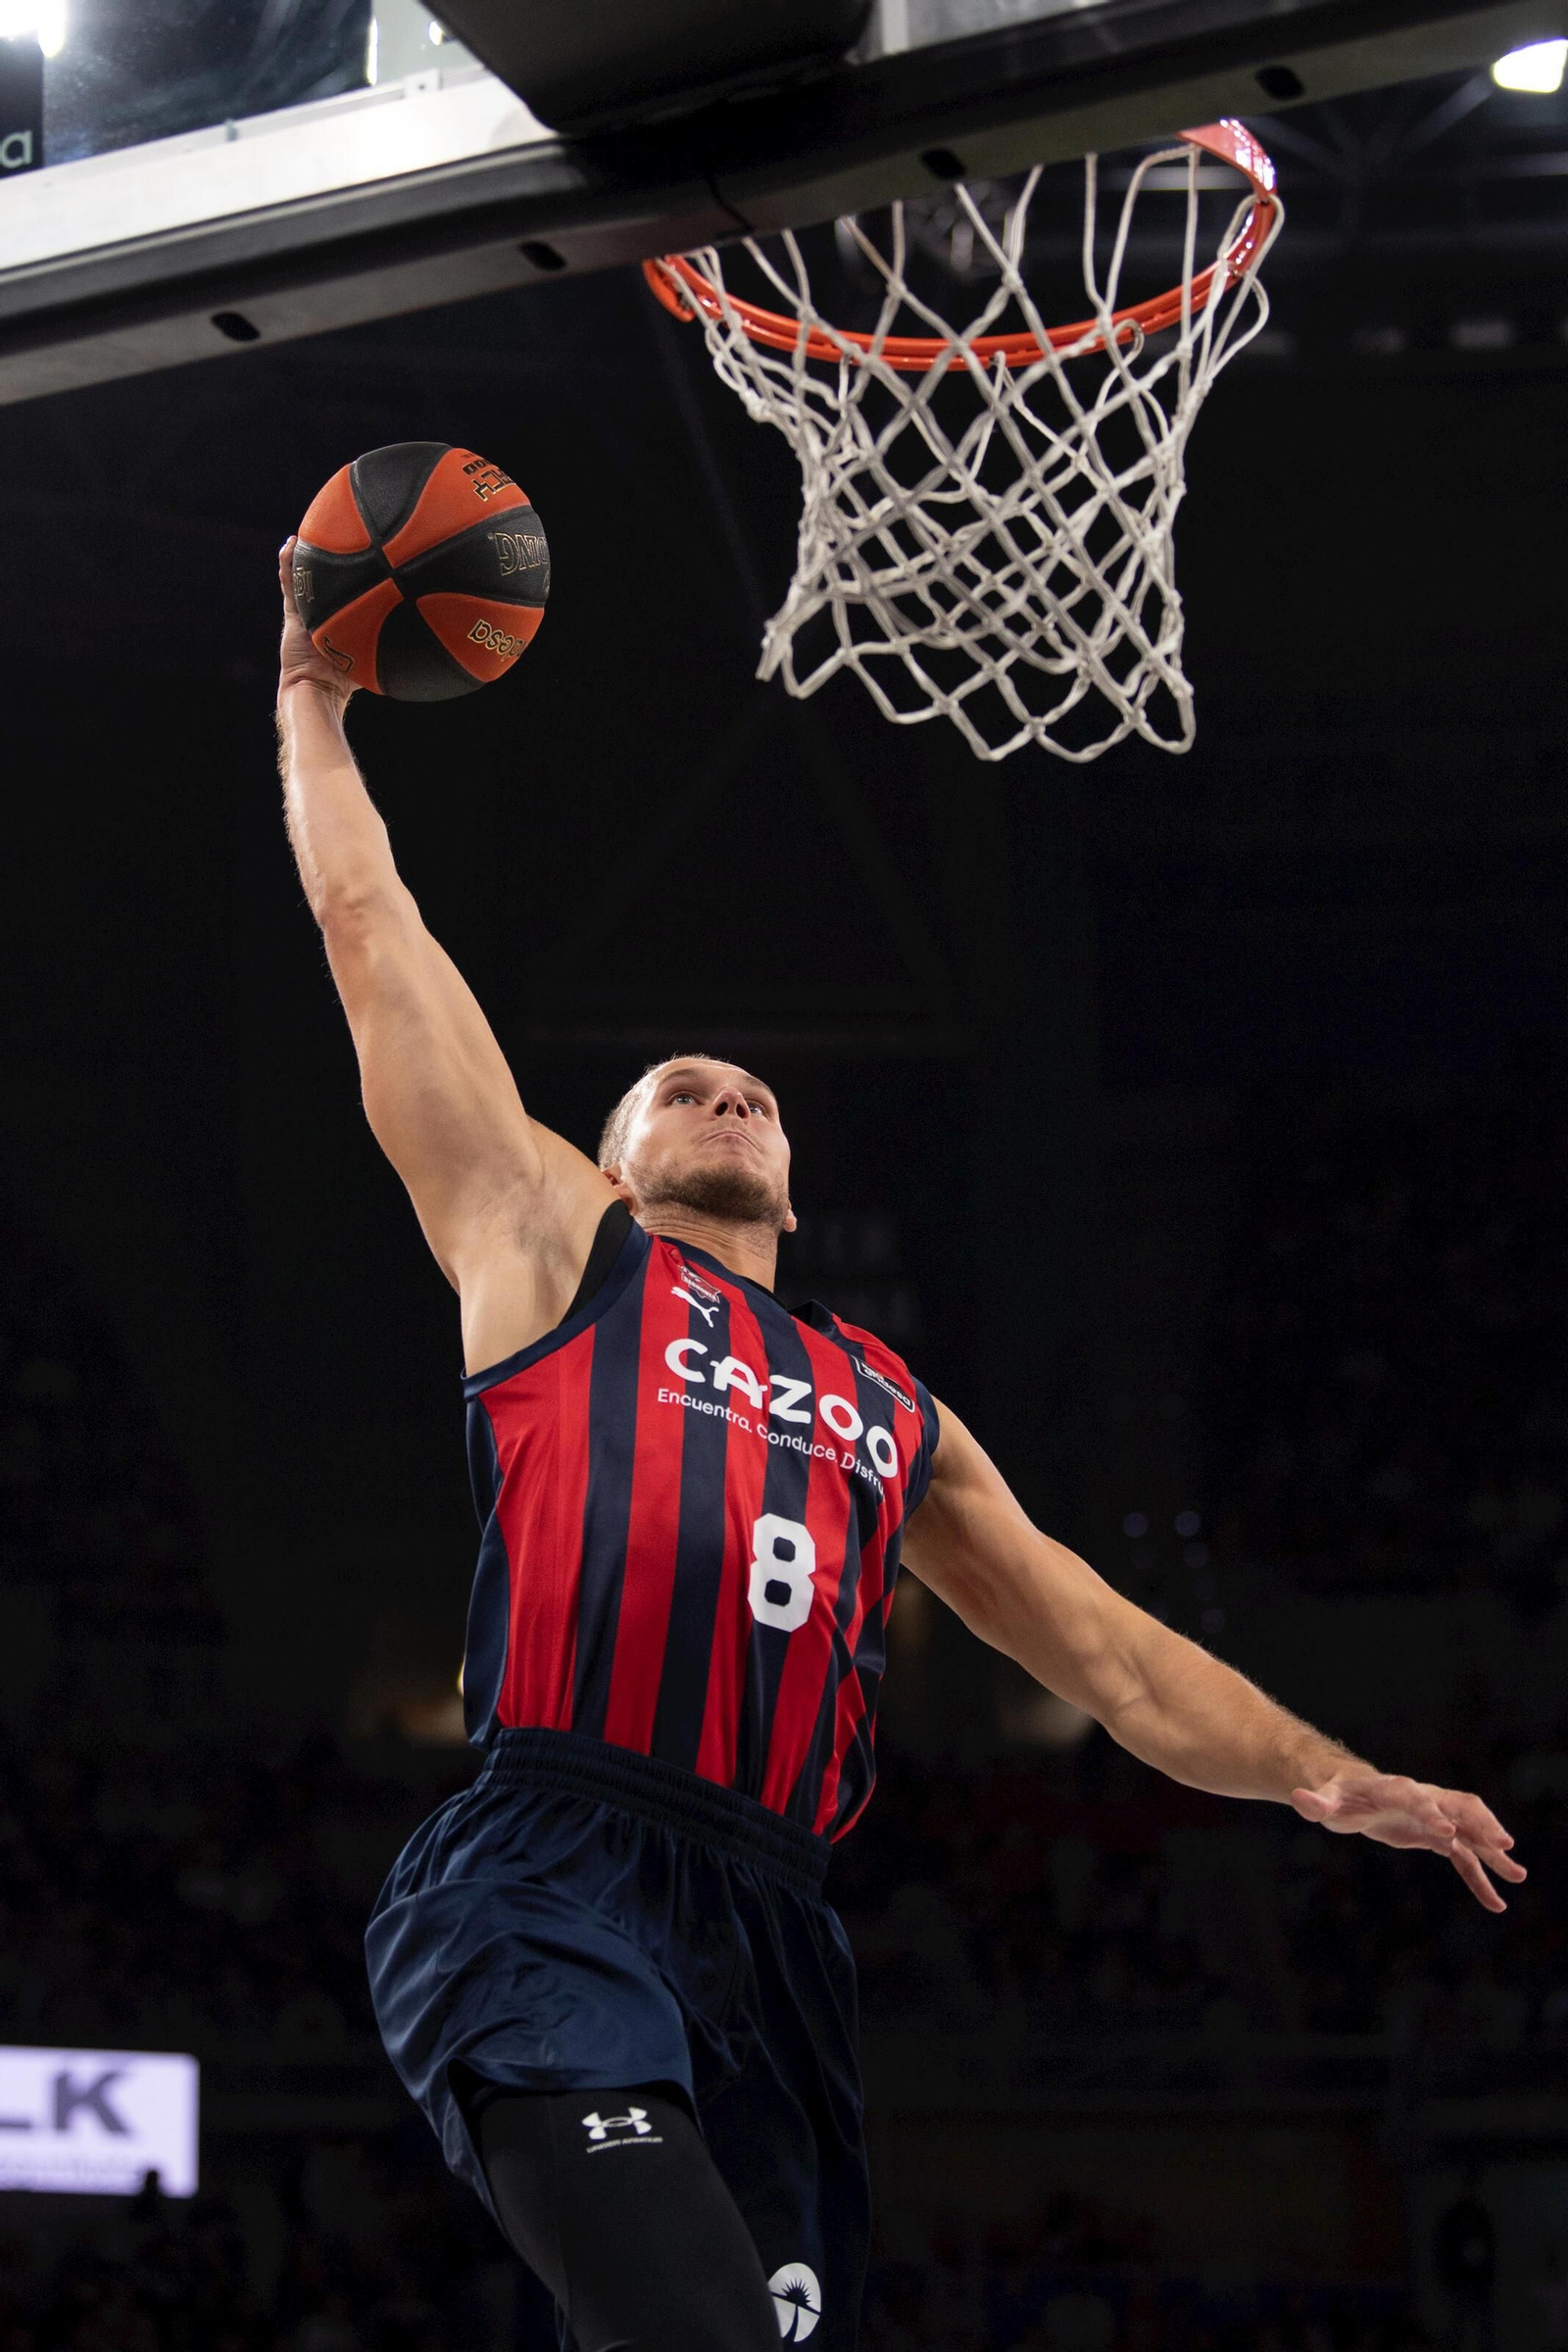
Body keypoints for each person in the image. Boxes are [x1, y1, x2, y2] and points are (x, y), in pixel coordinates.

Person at [274, 543, 1525, 2352]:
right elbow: (372, 932)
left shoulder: (889, 1406)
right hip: (551, 1865)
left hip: (775, 1933)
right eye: (684, 1085)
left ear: (799, 1180)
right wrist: (313, 703)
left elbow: (1109, 1653)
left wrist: (1335, 1782)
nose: (735, 1094)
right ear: (613, 1158)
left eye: (760, 1095)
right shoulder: (556, 1243)